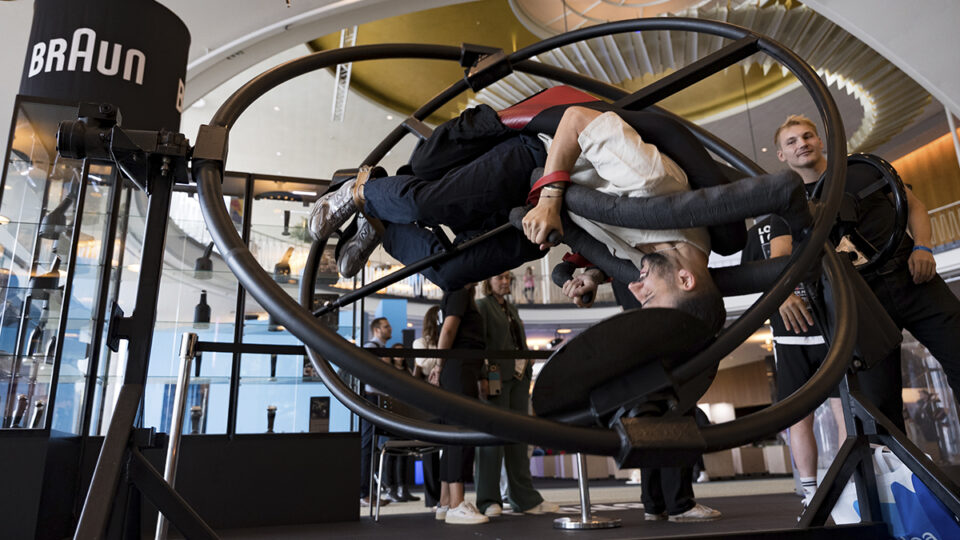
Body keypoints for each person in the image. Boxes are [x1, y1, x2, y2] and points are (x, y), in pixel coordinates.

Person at [309, 105, 728, 334]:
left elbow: (616, 231)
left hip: (552, 217)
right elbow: (576, 120)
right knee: (430, 206)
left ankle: (380, 223)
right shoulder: (656, 184)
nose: (635, 287)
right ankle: (361, 190)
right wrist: (550, 197)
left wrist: (596, 274)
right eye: (649, 296)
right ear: (687, 280)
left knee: (452, 272)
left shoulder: (664, 256)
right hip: (538, 160)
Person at [774, 114, 960, 423]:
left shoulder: (862, 170)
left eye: (807, 136)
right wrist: (785, 293)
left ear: (820, 141)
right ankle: (899, 469)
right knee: (880, 404)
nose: (802, 144)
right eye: (791, 141)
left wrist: (923, 246)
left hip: (914, 279)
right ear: (782, 155)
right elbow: (780, 254)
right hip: (862, 302)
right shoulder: (786, 202)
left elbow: (914, 206)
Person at [561, 275, 722, 522]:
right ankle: (679, 504)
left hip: (643, 336)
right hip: (664, 330)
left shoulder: (614, 259)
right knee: (677, 411)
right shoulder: (640, 259)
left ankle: (654, 503)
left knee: (651, 417)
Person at [741, 215, 846, 513]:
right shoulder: (782, 222)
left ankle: (828, 488)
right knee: (809, 419)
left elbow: (750, 280)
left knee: (835, 416)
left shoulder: (808, 213)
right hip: (801, 334)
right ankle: (817, 491)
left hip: (826, 330)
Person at [474, 271, 557, 517]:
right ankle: (488, 500)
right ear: (487, 281)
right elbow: (479, 345)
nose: (505, 281)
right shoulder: (482, 306)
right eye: (499, 277)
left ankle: (525, 499)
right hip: (495, 377)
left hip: (520, 377)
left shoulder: (511, 308)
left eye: (508, 277)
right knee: (492, 440)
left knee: (520, 440)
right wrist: (482, 376)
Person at [433, 284, 489, 524]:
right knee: (459, 434)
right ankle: (457, 503)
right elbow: (448, 331)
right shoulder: (459, 292)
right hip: (458, 368)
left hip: (461, 369)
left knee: (453, 435)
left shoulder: (461, 294)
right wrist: (438, 366)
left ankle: (446, 502)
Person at [359, 317, 393, 508]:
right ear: (377, 330)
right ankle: (363, 493)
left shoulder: (380, 349)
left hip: (377, 400)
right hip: (370, 399)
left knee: (372, 447)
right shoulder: (371, 348)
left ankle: (369, 492)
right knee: (367, 445)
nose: (390, 329)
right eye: (386, 327)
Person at [412, 305, 443, 508]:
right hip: (429, 401)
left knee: (450, 448)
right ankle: (433, 497)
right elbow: (425, 364)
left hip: (448, 397)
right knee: (430, 450)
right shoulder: (420, 343)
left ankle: (448, 495)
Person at [382, 343, 420, 503]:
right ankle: (390, 488)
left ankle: (402, 487)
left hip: (405, 414)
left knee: (404, 452)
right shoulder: (388, 370)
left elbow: (414, 387)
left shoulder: (407, 371)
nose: (400, 355)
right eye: (397, 352)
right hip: (392, 414)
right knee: (392, 452)